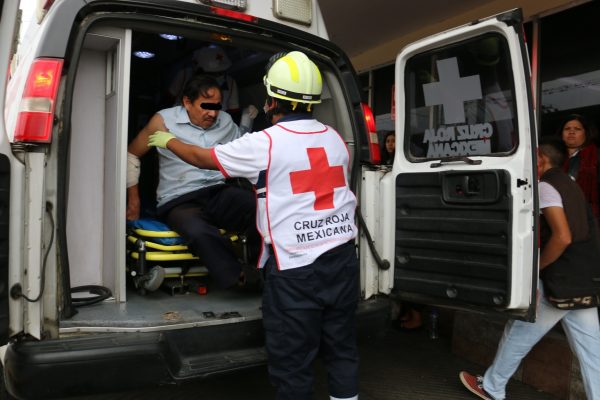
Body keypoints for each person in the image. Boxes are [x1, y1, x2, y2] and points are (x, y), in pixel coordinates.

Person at [147, 51, 360, 400]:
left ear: (272, 99)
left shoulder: (266, 142)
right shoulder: (335, 138)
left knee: (293, 363)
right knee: (342, 350)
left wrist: (167, 140)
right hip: (341, 260)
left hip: (296, 270)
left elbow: (203, 158)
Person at [459, 137, 600, 400]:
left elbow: (562, 237)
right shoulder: (571, 185)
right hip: (581, 279)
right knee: (593, 352)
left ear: (541, 159)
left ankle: (492, 386)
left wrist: (535, 270)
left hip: (559, 281)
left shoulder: (546, 186)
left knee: (519, 332)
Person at [127, 74, 259, 290]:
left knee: (259, 206)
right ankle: (241, 279)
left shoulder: (224, 121)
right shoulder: (163, 121)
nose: (212, 113)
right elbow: (132, 155)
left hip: (218, 191)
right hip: (179, 199)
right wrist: (134, 200)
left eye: (217, 106)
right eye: (205, 106)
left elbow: (243, 151)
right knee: (198, 231)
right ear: (187, 102)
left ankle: (261, 266)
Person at [167, 45, 240, 115]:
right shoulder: (185, 74)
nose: (216, 77)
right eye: (211, 74)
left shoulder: (230, 82)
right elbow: (169, 97)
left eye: (219, 73)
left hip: (215, 124)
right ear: (199, 71)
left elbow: (234, 110)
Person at [558, 113, 600, 225]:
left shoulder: (596, 157)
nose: (571, 132)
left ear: (586, 133)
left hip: (588, 220)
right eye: (567, 129)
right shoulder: (552, 158)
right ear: (561, 134)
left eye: (577, 129)